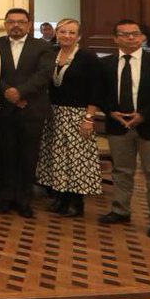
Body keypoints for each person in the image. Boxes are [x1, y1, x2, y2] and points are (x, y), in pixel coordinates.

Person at [90, 18, 150, 239]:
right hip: (118, 125)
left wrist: (144, 115)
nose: (129, 37)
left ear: (142, 37)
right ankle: (121, 210)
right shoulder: (106, 64)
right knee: (122, 171)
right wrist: (111, 111)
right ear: (115, 39)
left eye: (134, 34)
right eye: (123, 34)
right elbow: (99, 93)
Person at [0, 7, 56, 217]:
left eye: (21, 21)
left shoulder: (42, 47)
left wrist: (20, 93)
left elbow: (44, 74)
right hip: (3, 109)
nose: (16, 25)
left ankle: (24, 200)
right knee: (5, 155)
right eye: (11, 21)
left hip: (32, 107)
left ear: (29, 24)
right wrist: (8, 93)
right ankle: (6, 197)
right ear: (5, 24)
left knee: (28, 157)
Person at [36, 18, 102, 218]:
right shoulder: (51, 54)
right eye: (63, 32)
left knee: (76, 159)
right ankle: (60, 197)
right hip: (53, 112)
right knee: (56, 157)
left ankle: (76, 201)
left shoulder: (88, 57)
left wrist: (89, 117)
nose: (67, 36)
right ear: (57, 33)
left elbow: (96, 90)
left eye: (72, 32)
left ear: (79, 36)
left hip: (79, 114)